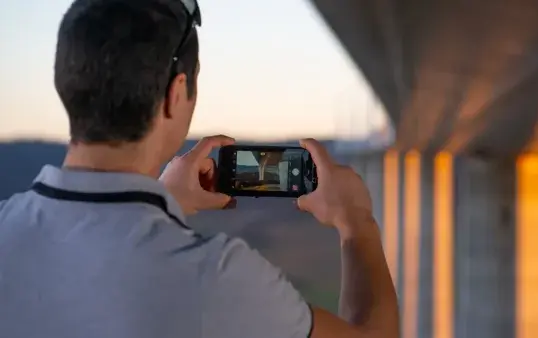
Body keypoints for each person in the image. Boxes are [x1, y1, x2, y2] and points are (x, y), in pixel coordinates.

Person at [0, 0, 399, 337]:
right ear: (176, 95)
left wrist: (164, 199)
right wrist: (356, 221)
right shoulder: (219, 277)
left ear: (64, 82)